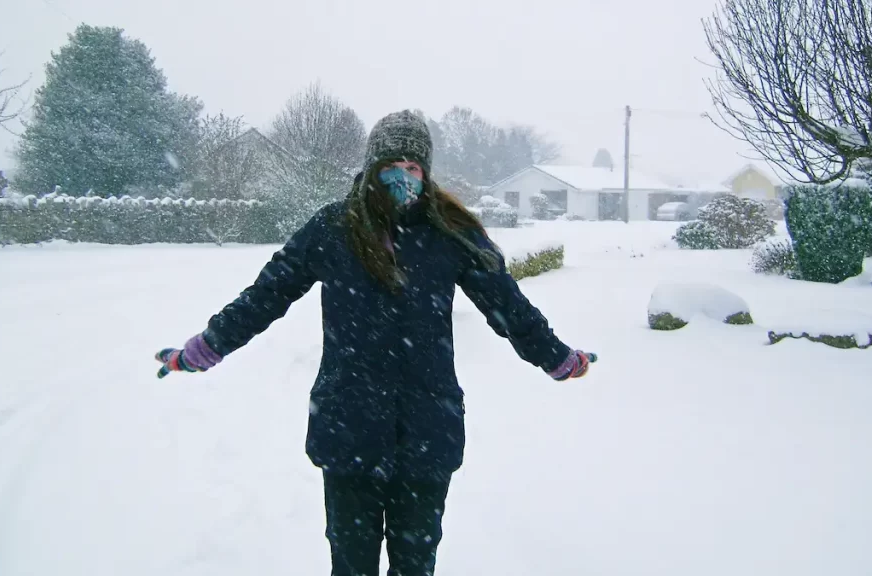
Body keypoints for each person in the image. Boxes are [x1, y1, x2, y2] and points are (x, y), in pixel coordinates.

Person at [155, 110, 593, 576]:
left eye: (413, 168)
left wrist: (558, 358)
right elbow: (267, 295)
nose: (401, 177)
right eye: (390, 166)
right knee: (351, 566)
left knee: (414, 567)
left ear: (426, 172)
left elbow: (508, 307)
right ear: (369, 167)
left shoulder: (451, 233)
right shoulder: (332, 230)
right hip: (349, 427)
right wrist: (205, 347)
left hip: (426, 430)